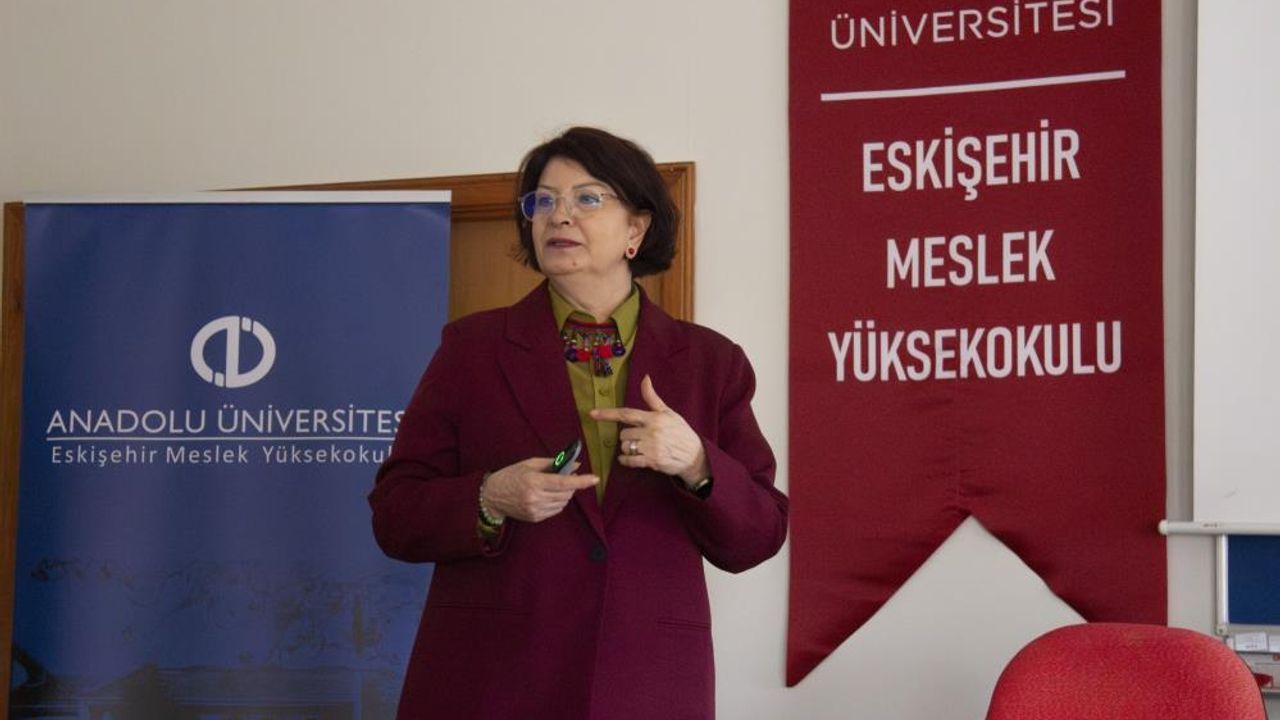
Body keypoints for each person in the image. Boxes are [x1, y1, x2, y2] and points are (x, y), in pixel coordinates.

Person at [369, 126, 788, 720]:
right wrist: (490, 497)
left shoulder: (710, 362)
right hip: (493, 679)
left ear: (636, 230)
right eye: (543, 201)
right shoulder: (471, 349)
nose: (558, 215)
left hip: (645, 681)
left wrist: (696, 462)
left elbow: (760, 535)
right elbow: (395, 514)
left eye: (587, 198)